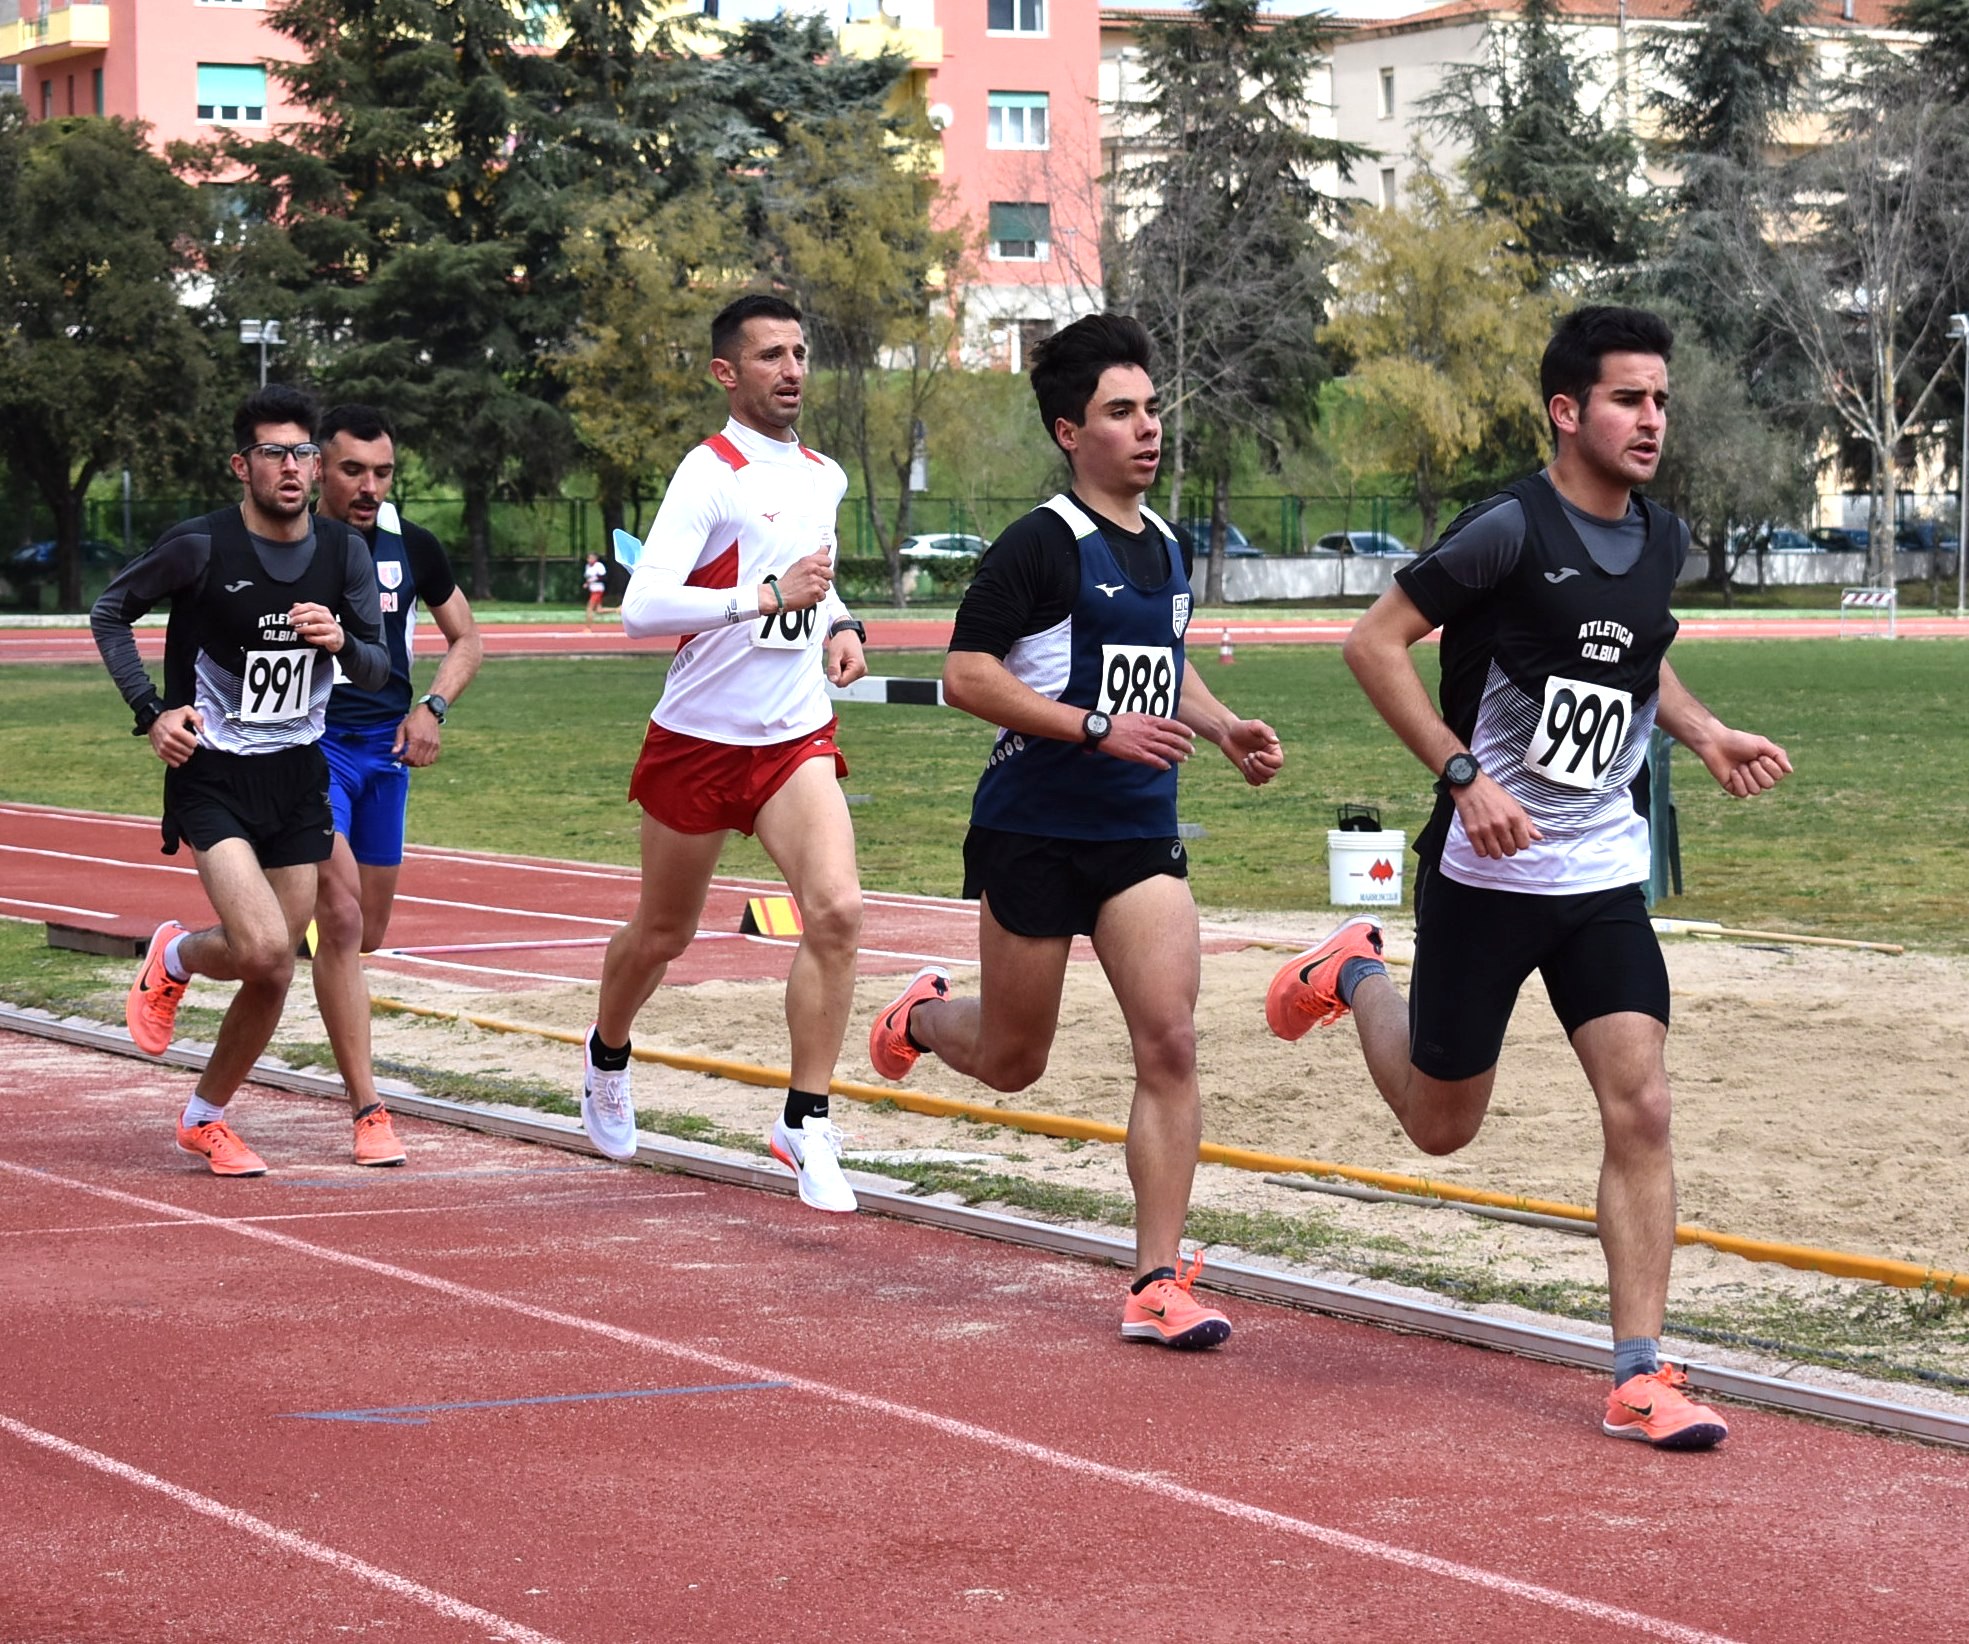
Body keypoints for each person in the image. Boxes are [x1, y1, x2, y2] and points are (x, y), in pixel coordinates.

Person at [1264, 306, 1792, 1446]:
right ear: (1565, 410)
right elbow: (1371, 644)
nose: (1650, 420)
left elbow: (1640, 660)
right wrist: (1462, 774)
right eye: (1627, 399)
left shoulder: (1661, 538)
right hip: (1488, 875)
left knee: (1641, 1104)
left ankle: (1638, 1372)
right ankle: (1353, 973)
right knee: (1439, 1127)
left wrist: (1704, 733)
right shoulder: (1506, 529)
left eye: (1659, 400)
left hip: (1599, 874)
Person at [866, 313, 1284, 1348]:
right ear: (1069, 431)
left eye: (1151, 410)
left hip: (1137, 836)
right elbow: (967, 676)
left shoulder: (1167, 545)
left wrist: (1223, 727)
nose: (1148, 429)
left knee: (1170, 1040)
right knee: (1014, 1060)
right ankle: (923, 1018)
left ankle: (1154, 1281)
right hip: (1035, 830)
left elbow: (1163, 660)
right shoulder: (1039, 544)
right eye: (1120, 412)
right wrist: (1094, 727)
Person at [581, 293, 871, 1212]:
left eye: (800, 353)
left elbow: (816, 579)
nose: (791, 370)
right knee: (663, 934)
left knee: (836, 911)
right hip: (699, 741)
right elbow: (642, 608)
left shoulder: (823, 475)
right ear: (725, 372)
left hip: (793, 736)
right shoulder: (709, 473)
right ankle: (607, 1054)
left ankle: (805, 1120)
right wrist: (763, 597)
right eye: (770, 355)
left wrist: (840, 622)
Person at [91, 385, 390, 1177]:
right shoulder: (199, 546)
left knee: (275, 967)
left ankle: (204, 1117)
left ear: (316, 465)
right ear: (241, 465)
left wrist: (341, 643)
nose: (290, 467)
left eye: (303, 453)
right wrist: (150, 711)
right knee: (261, 948)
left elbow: (379, 666)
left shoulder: (343, 553)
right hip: (212, 775)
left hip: (297, 778)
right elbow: (111, 611)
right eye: (273, 453)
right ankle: (177, 955)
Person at [310, 403, 484, 1167]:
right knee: (342, 919)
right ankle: (368, 1110)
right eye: (353, 470)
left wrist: (432, 707)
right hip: (310, 749)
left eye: (382, 473)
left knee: (366, 932)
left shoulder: (412, 546)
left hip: (384, 756)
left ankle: (181, 957)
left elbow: (466, 637)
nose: (369, 486)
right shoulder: (289, 541)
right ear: (319, 467)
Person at [583, 552, 607, 625]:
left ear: (595, 558)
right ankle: (617, 609)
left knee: (589, 608)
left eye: (591, 558)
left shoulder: (599, 566)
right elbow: (588, 578)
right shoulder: (587, 566)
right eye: (588, 558)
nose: (589, 559)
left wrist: (592, 580)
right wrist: (587, 583)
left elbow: (603, 577)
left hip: (598, 589)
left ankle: (588, 628)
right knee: (599, 610)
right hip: (592, 589)